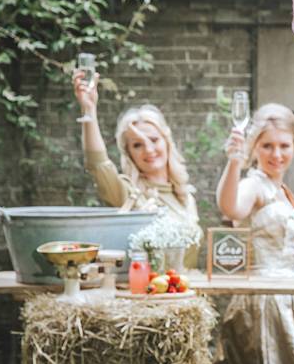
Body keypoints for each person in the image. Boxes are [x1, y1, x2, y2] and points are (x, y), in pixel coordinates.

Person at [211, 103, 294, 364]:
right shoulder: (254, 185)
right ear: (254, 147)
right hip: (264, 303)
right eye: (267, 145)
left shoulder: (284, 192)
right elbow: (230, 206)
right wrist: (233, 162)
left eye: (284, 145)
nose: (276, 154)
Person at [72, 70, 200, 266]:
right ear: (129, 153)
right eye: (137, 145)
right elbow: (97, 164)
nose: (148, 149)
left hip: (186, 291)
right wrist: (89, 110)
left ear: (167, 142)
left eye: (154, 140)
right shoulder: (128, 192)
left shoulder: (185, 196)